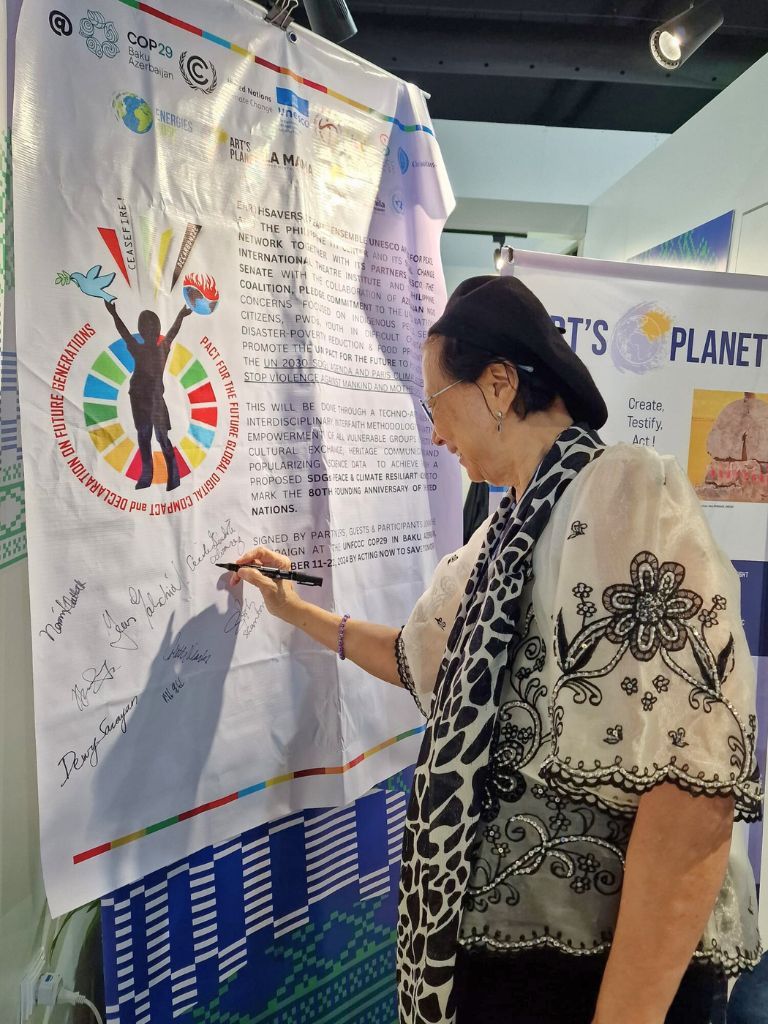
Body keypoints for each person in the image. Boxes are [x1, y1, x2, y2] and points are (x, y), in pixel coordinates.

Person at [231, 276, 762, 1024]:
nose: (436, 432)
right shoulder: (507, 533)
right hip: (508, 966)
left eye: (435, 403)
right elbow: (427, 663)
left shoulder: (622, 494)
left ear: (499, 384)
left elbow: (693, 787)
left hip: (594, 977)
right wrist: (296, 610)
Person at [104, 298, 192, 490]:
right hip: (138, 400)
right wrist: (114, 314)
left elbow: (172, 332)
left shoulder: (162, 348)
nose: (150, 330)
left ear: (157, 329)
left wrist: (180, 315)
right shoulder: (139, 348)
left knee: (161, 438)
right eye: (146, 327)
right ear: (142, 330)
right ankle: (146, 476)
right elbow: (125, 333)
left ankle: (174, 476)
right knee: (144, 437)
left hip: (155, 400)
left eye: (153, 327)